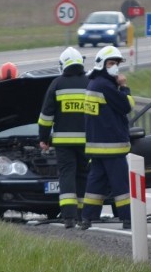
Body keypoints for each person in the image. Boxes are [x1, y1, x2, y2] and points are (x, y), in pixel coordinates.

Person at [80, 45, 134, 230]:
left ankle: (87, 217)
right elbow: (126, 106)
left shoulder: (93, 84)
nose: (115, 67)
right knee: (121, 186)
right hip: (112, 145)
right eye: (111, 63)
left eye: (117, 63)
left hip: (96, 145)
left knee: (96, 184)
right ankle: (128, 219)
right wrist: (124, 88)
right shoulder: (106, 86)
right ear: (102, 65)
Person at [38, 47, 89, 228]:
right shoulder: (89, 83)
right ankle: (83, 215)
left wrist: (43, 138)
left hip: (63, 143)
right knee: (83, 175)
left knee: (67, 175)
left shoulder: (57, 84)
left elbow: (46, 116)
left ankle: (68, 217)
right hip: (86, 141)